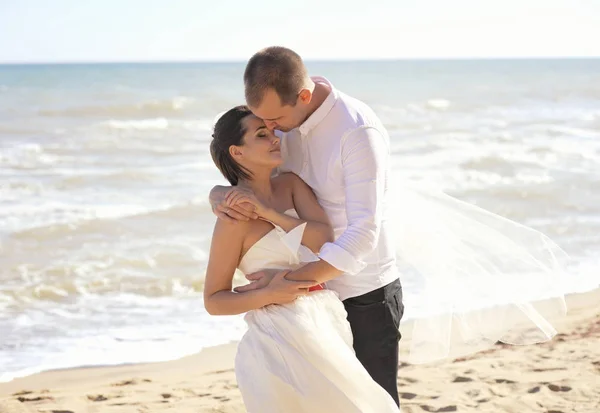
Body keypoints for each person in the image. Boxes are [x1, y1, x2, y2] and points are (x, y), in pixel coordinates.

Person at [209, 46, 404, 404]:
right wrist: (219, 192)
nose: (271, 131)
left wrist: (288, 284)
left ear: (303, 96)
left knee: (372, 404)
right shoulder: (282, 117)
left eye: (273, 123)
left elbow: (363, 232)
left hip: (363, 293)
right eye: (261, 122)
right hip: (305, 309)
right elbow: (249, 171)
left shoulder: (356, 131)